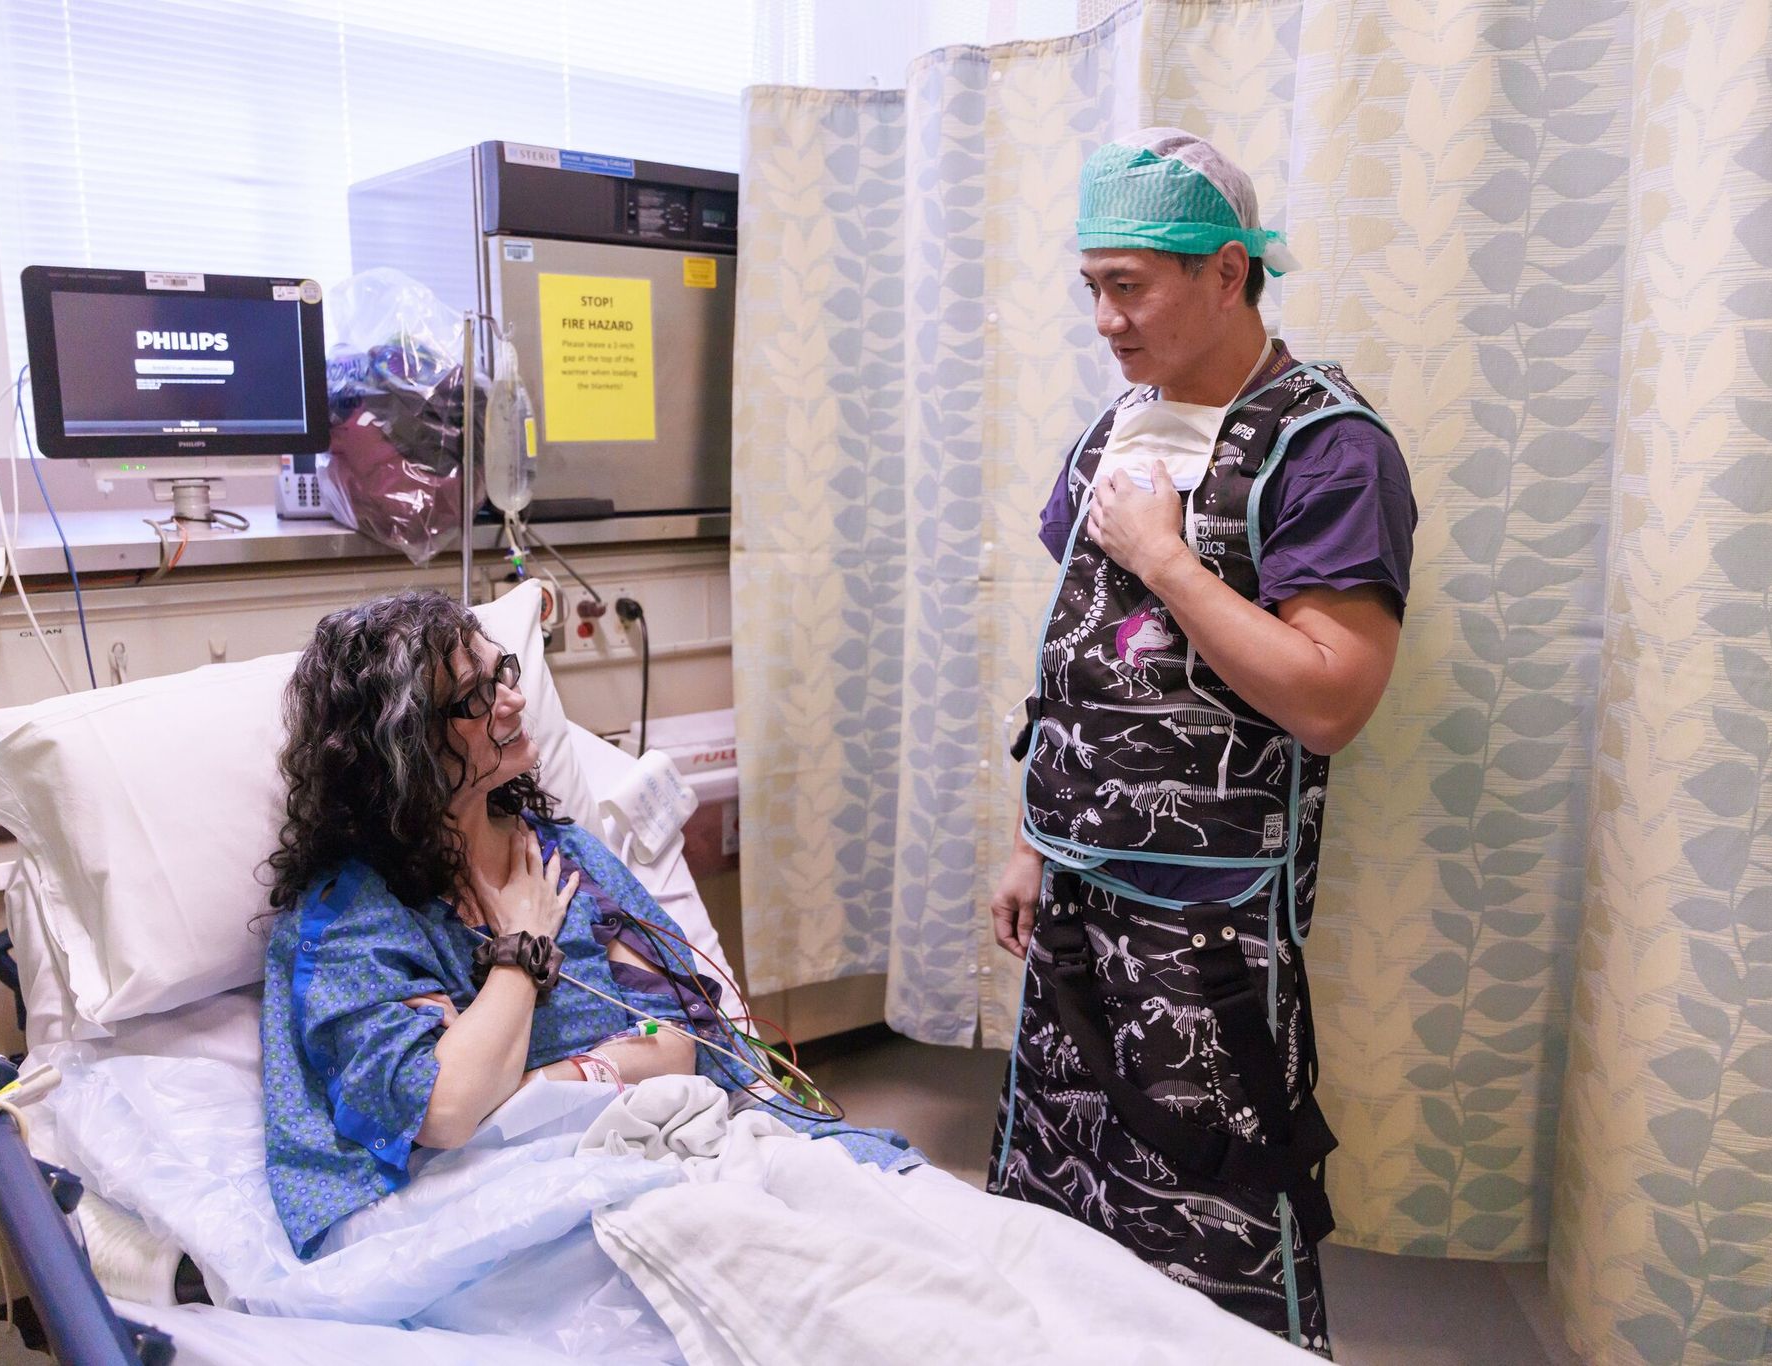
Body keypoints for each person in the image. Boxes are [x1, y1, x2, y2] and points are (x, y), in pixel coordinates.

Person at [988, 129, 1417, 1357]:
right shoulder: (1110, 436)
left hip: (1209, 925)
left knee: (1209, 1218)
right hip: (1074, 891)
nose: (1106, 319)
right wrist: (1032, 833)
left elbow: (1330, 698)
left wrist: (1167, 557)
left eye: (1130, 284)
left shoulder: (1326, 449)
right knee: (1060, 1192)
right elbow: (1082, 652)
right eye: (1092, 287)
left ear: (1227, 273)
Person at [258, 589, 915, 1258]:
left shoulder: (566, 861)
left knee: (878, 1224)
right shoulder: (352, 923)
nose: (512, 702)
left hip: (657, 1156)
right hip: (490, 1216)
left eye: (503, 673)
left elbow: (681, 1041)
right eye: (474, 698)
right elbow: (447, 1108)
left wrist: (522, 1085)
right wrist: (523, 952)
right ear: (403, 746)